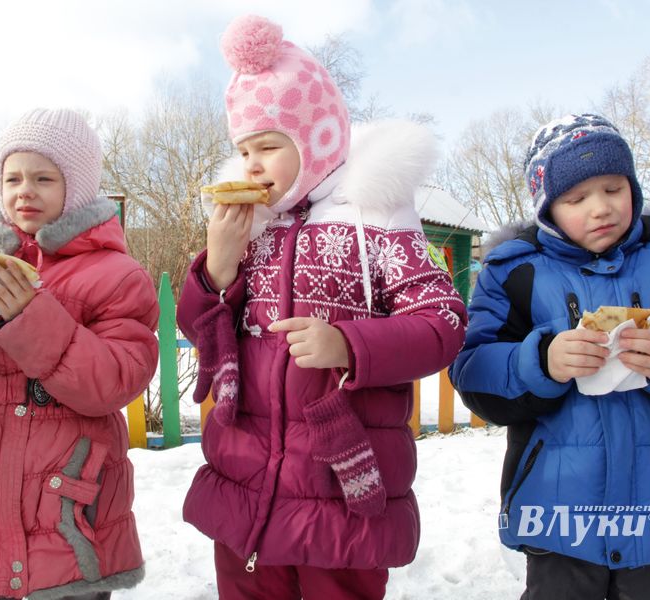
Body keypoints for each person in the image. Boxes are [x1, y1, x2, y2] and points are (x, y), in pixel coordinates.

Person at [176, 14, 467, 600]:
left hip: (341, 485)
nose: (251, 164)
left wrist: (348, 345)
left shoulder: (380, 221)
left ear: (317, 140)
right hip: (247, 481)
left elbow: (444, 322)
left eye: (269, 147)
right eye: (243, 149)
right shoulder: (248, 228)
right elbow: (200, 328)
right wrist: (219, 266)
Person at [449, 113, 650, 599]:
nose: (601, 209)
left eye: (614, 188)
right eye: (576, 198)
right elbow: (471, 371)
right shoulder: (514, 275)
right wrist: (542, 361)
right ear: (547, 208)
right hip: (557, 512)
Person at [0, 108, 159, 599]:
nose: (25, 190)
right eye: (12, 177)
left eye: (44, 177)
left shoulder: (117, 274)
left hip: (66, 517)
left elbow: (114, 383)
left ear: (77, 188)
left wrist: (29, 315)